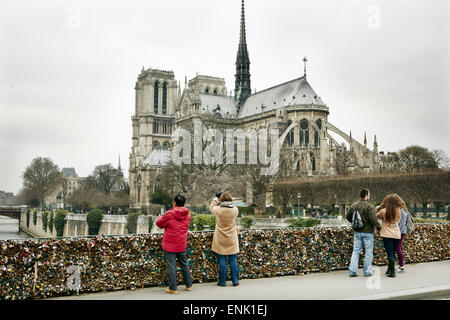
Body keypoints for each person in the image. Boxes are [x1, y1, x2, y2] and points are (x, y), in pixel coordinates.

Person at [155, 194, 193, 294]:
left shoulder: (169, 214)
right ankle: (189, 285)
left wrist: (159, 217)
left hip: (170, 244)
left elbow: (160, 224)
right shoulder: (188, 215)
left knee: (171, 266)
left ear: (174, 203)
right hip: (181, 243)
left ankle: (173, 288)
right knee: (184, 264)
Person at [346, 189, 382, 277]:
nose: (369, 196)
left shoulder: (354, 205)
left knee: (356, 251)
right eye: (369, 195)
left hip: (357, 231)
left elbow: (347, 216)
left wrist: (355, 223)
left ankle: (352, 271)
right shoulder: (370, 206)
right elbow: (374, 220)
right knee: (368, 252)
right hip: (368, 232)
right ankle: (367, 272)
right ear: (366, 195)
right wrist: (379, 227)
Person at [210, 192, 240, 287]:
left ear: (221, 200)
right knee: (233, 260)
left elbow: (211, 207)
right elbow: (233, 208)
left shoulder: (218, 210)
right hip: (231, 237)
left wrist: (216, 198)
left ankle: (222, 282)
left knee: (222, 259)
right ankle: (235, 281)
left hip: (220, 237)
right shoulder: (235, 210)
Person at [376, 194, 402, 278]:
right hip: (396, 234)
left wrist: (377, 208)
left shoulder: (383, 211)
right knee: (393, 252)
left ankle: (392, 272)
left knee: (389, 253)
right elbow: (398, 221)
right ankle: (389, 270)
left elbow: (376, 216)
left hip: (387, 234)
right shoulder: (398, 210)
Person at [392, 194, 409, 273]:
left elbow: (401, 224)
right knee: (397, 248)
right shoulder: (404, 209)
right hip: (402, 232)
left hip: (400, 232)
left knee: (397, 249)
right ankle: (400, 265)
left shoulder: (400, 211)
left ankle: (401, 266)